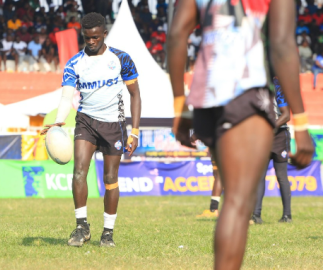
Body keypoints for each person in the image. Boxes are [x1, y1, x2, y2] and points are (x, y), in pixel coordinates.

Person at [168, 1, 314, 269]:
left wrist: (181, 108)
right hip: (246, 92)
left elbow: (177, 33)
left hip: (205, 99)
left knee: (233, 198)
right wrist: (301, 123)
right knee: (237, 202)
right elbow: (281, 44)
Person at [41, 12, 141, 248]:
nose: (91, 41)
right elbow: (67, 97)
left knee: (110, 179)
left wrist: (134, 131)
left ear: (104, 34)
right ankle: (81, 226)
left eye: (96, 37)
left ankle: (108, 232)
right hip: (85, 121)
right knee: (78, 172)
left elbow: (135, 95)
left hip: (113, 125)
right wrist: (60, 120)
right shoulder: (74, 63)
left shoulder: (121, 58)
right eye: (87, 38)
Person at [251, 77, 292, 224]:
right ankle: (256, 216)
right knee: (259, 176)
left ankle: (287, 216)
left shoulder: (278, 86)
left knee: (281, 176)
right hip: (262, 137)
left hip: (279, 136)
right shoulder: (253, 87)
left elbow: (286, 115)